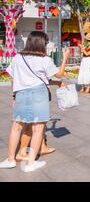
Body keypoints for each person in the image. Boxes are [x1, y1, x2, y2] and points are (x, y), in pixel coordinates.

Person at [0, 31, 70, 172]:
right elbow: (60, 74)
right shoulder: (45, 60)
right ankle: (30, 163)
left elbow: (13, 79)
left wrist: (14, 96)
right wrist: (65, 58)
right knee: (38, 129)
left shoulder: (18, 57)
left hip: (21, 93)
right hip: (39, 93)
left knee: (16, 127)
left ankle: (10, 159)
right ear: (41, 44)